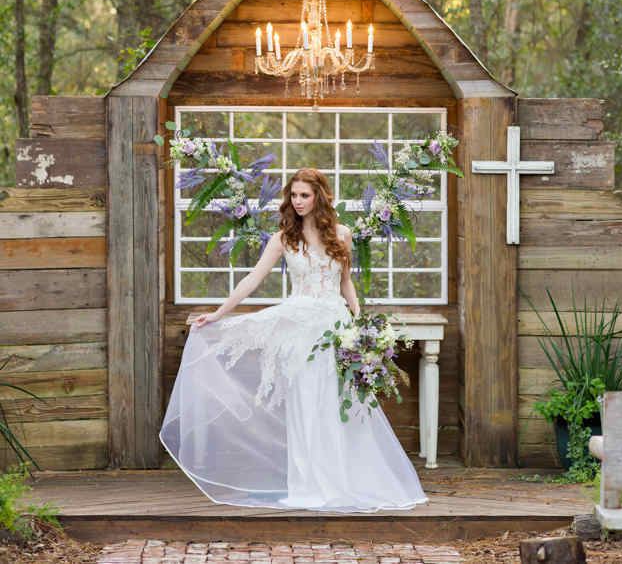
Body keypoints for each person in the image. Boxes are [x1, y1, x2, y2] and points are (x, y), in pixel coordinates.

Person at [159, 167, 427, 512]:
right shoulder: (284, 238)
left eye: (305, 195)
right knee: (304, 407)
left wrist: (359, 326)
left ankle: (343, 482)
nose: (298, 201)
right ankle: (307, 485)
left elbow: (346, 284)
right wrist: (218, 313)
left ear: (319, 197)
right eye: (294, 195)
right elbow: (252, 280)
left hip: (334, 330)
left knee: (339, 407)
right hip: (300, 332)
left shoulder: (341, 235)